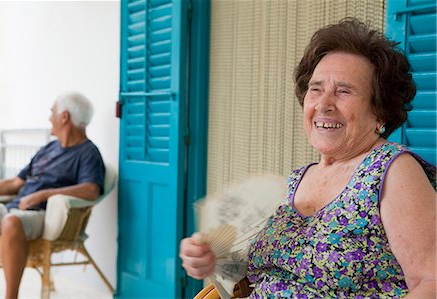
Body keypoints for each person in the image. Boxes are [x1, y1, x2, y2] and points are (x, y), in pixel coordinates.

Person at [180, 18, 436, 298]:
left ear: (380, 112)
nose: (323, 104)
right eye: (316, 89)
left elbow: (430, 282)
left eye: (343, 91)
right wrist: (211, 259)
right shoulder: (296, 180)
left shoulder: (391, 170)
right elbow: (265, 273)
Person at [0, 92, 105, 299]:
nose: (49, 117)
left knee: (11, 222)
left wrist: (43, 195)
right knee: (9, 217)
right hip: (13, 206)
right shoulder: (49, 148)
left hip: (42, 215)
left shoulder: (88, 153)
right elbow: (16, 182)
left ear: (64, 117)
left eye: (52, 112)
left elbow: (91, 189)